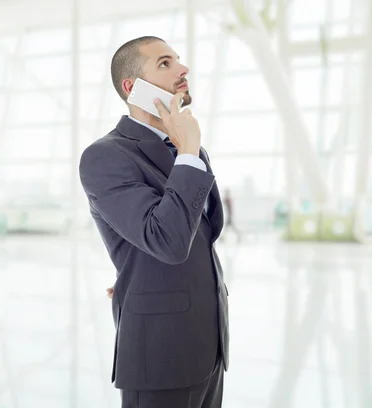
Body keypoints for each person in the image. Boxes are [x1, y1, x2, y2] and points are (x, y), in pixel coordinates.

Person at [79, 36, 229, 408]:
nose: (183, 69)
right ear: (132, 87)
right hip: (160, 354)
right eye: (165, 63)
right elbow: (167, 239)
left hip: (208, 345)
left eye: (178, 60)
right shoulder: (105, 157)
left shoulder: (183, 148)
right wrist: (190, 153)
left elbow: (196, 238)